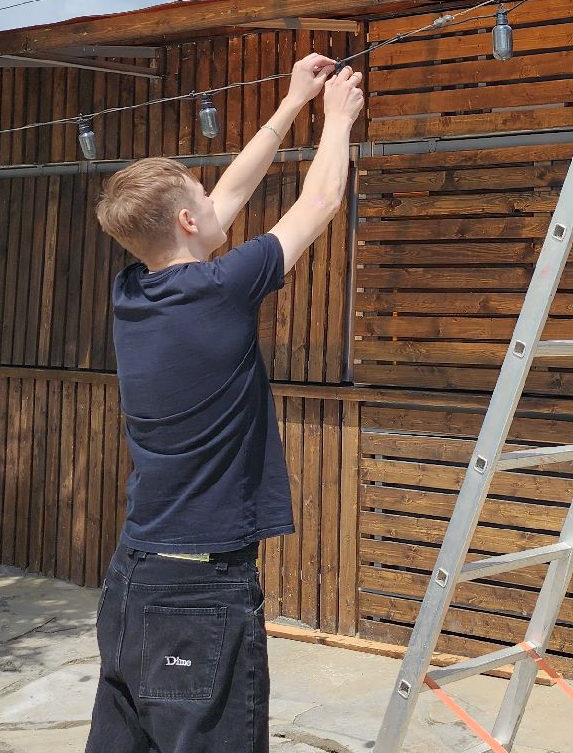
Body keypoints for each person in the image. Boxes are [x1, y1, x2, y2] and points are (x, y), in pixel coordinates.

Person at [86, 53, 365, 751]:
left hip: (134, 582)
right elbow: (321, 203)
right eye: (200, 199)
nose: (217, 203)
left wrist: (292, 101)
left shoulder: (134, 290)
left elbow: (226, 198)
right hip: (197, 594)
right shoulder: (219, 286)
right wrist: (337, 119)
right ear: (185, 221)